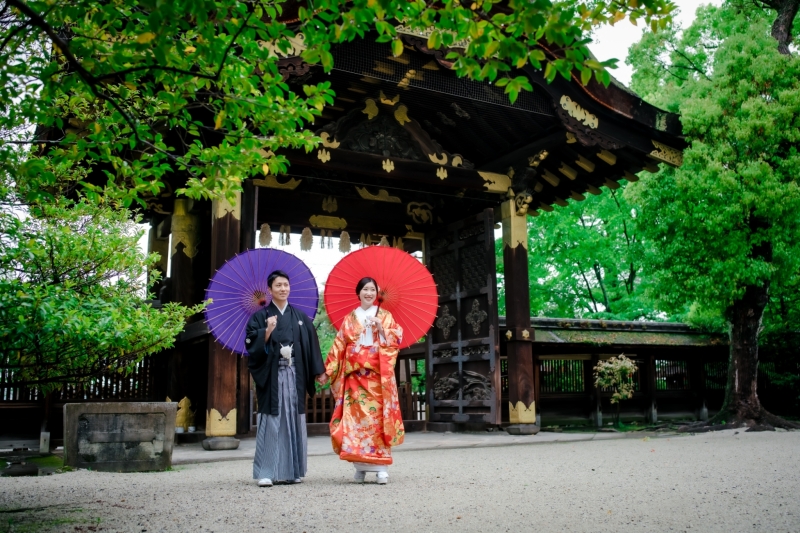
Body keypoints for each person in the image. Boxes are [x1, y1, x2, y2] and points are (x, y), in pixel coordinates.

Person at [318, 277, 405, 484]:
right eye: (365, 289)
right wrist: (327, 371)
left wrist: (382, 329)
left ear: (377, 294)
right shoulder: (350, 318)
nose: (369, 293)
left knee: (377, 422)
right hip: (355, 378)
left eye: (372, 290)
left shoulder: (384, 315)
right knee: (355, 422)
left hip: (377, 378)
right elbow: (339, 347)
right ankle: (360, 466)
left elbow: (396, 339)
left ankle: (381, 467)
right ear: (358, 293)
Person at [245, 269, 326, 487]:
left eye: (286, 285)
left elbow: (312, 345)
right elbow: (251, 344)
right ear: (270, 290)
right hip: (272, 375)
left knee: (293, 417)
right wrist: (267, 331)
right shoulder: (260, 317)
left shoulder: (300, 317)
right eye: (278, 285)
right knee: (272, 419)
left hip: (295, 374)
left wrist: (319, 371)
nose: (283, 289)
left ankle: (293, 471)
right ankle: (266, 471)